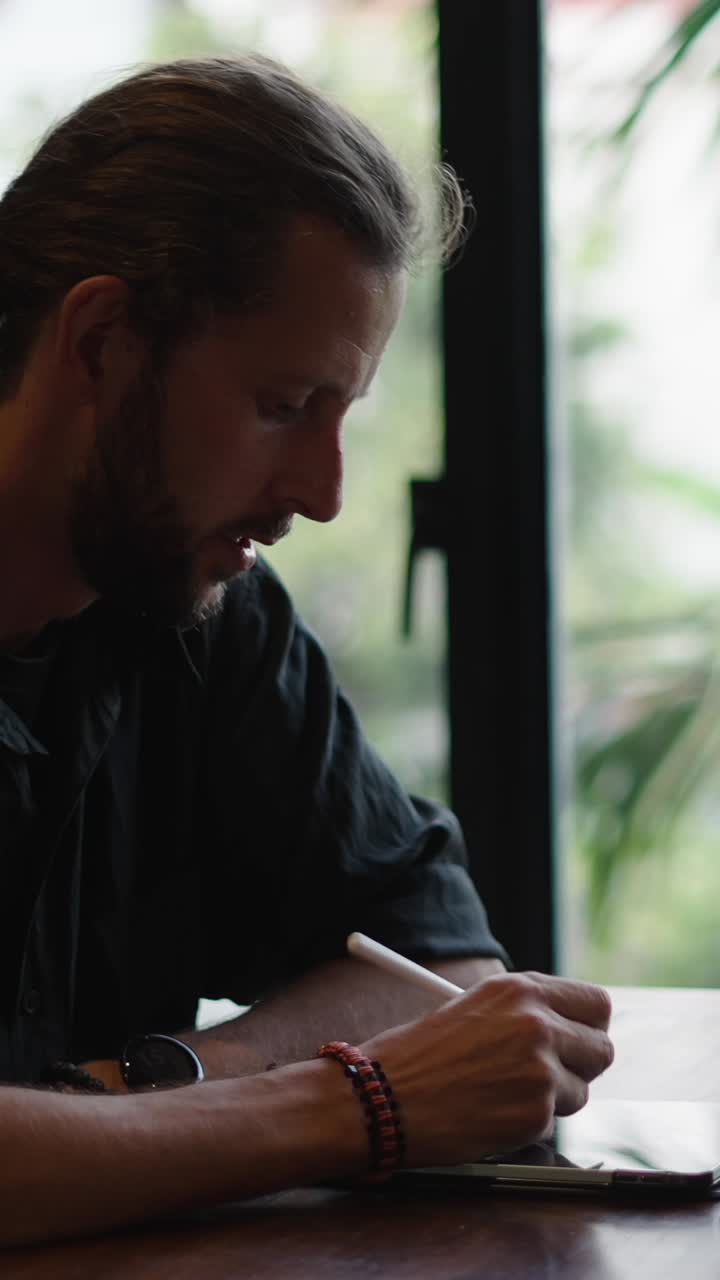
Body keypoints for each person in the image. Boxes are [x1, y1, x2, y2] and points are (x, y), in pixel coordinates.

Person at [0, 54, 613, 1246]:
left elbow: (436, 959)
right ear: (104, 340)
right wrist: (356, 1105)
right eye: (284, 406)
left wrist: (132, 1098)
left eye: (342, 416)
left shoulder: (196, 599)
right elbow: (405, 1049)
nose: (325, 493)